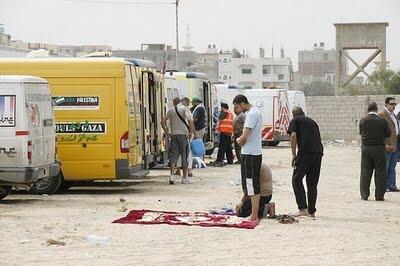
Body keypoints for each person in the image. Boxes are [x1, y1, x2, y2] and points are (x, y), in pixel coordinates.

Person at [288, 107, 323, 218]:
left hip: (305, 153)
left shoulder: (295, 120)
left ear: (294, 115)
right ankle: (311, 211)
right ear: (303, 113)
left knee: (296, 179)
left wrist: (293, 154)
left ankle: (303, 208)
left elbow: (293, 135)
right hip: (318, 153)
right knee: (312, 183)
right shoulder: (312, 121)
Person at [233, 95, 263, 221]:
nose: (236, 109)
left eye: (237, 106)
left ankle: (254, 214)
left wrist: (237, 141)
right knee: (252, 183)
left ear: (242, 104)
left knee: (251, 184)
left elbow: (244, 137)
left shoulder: (251, 114)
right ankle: (253, 212)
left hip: (250, 154)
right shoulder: (256, 112)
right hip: (254, 153)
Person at [359, 102, 391, 201]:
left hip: (366, 148)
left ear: (368, 110)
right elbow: (388, 133)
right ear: (376, 109)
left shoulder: (363, 120)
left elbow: (361, 132)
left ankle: (364, 195)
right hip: (379, 148)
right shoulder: (382, 121)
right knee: (381, 172)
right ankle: (379, 196)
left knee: (365, 171)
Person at [161, 97, 195, 185]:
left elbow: (163, 121)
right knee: (184, 155)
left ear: (173, 103)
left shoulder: (170, 111)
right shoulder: (184, 109)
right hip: (183, 135)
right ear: (180, 102)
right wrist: (191, 132)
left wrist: (167, 132)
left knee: (173, 155)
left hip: (174, 135)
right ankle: (184, 178)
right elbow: (190, 121)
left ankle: (172, 176)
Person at [379, 97, 400, 192]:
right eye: (391, 104)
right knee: (385, 167)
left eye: (395, 104)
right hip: (388, 145)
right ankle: (384, 186)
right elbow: (380, 132)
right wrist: (385, 144)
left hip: (396, 145)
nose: (394, 106)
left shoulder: (394, 115)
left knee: (392, 166)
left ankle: (391, 185)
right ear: (386, 104)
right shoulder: (382, 115)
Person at [213, 102, 234, 167]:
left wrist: (215, 128)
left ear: (223, 107)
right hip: (229, 132)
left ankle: (219, 160)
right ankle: (230, 160)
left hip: (224, 132)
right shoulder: (230, 113)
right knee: (228, 147)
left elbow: (220, 118)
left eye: (221, 108)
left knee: (222, 147)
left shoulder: (225, 113)